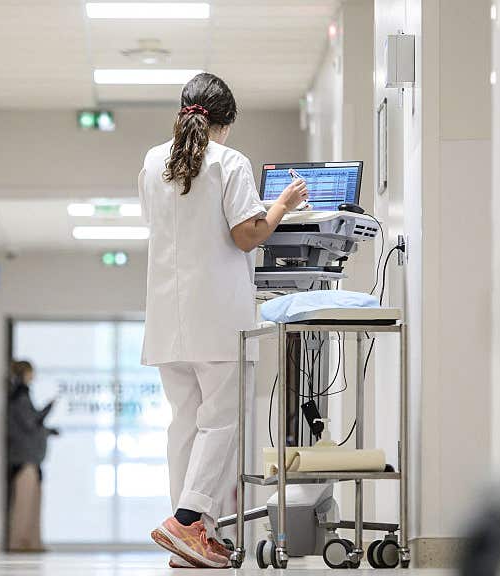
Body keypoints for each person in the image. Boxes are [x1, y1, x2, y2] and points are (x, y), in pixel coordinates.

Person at [138, 73, 308, 569]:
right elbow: (246, 236)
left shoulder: (153, 160)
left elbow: (159, 225)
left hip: (167, 318)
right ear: (225, 124)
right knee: (220, 423)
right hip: (216, 316)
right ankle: (188, 519)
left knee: (184, 427)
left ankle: (194, 538)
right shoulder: (229, 161)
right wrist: (282, 204)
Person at [6, 360, 59, 551]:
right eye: (30, 372)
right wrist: (48, 408)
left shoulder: (21, 396)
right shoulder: (20, 397)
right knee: (24, 504)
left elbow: (32, 424)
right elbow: (31, 423)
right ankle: (20, 542)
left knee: (32, 502)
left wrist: (47, 430)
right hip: (24, 460)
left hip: (31, 459)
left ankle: (31, 542)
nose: (33, 376)